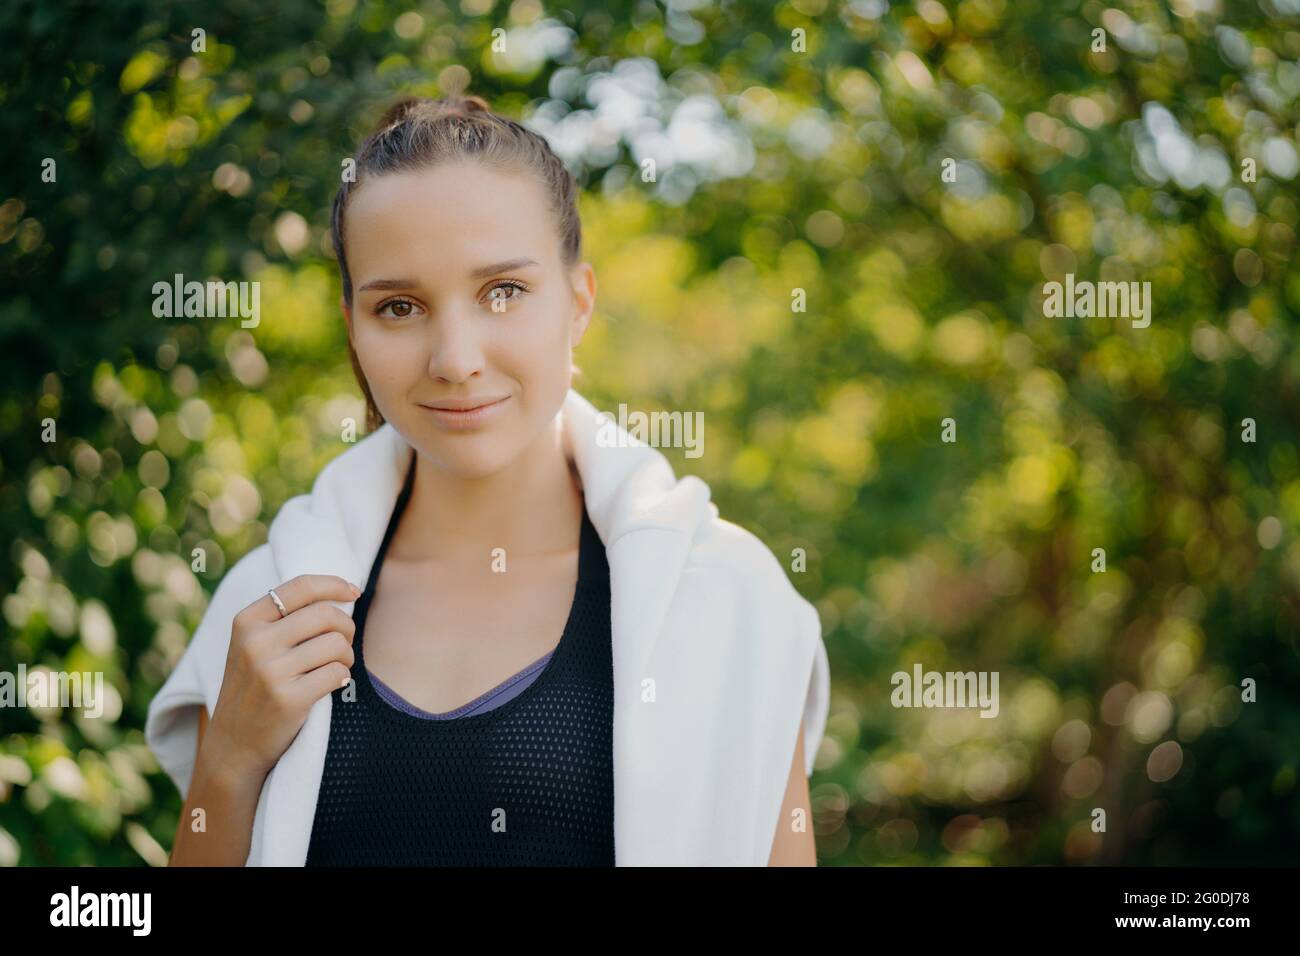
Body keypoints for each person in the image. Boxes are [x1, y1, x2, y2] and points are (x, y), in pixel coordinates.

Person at [145, 94, 831, 866]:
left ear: (577, 303)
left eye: (502, 292)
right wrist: (229, 760)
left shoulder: (726, 597)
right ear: (353, 330)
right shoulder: (270, 606)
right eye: (399, 307)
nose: (455, 358)